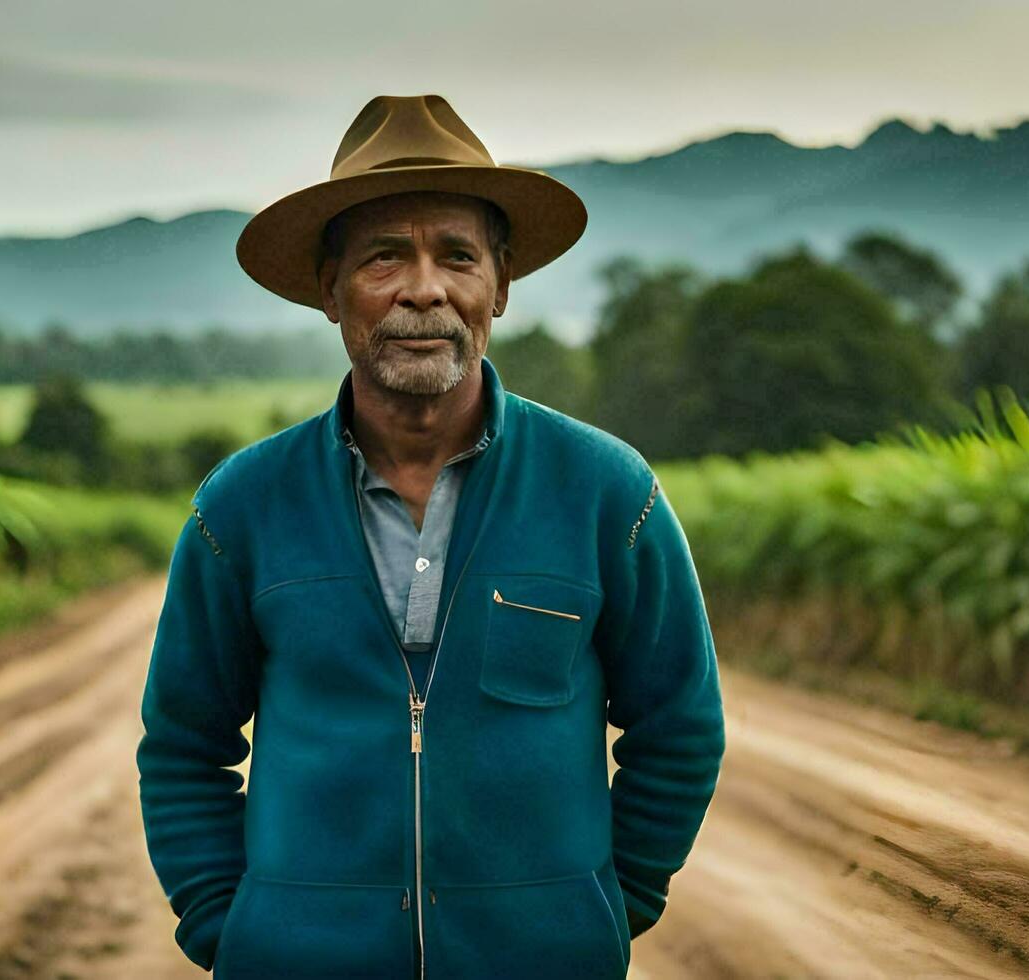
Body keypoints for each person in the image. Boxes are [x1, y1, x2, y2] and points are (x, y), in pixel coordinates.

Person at [137, 93, 726, 979]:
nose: (425, 288)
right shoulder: (242, 508)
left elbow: (679, 727)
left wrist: (602, 907)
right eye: (384, 257)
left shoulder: (609, 494)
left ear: (500, 286)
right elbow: (184, 745)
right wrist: (236, 926)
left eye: (457, 255)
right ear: (329, 291)